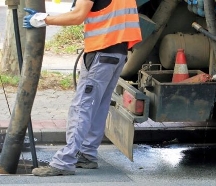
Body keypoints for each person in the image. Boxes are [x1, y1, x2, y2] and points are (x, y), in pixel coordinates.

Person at [23, 0, 142, 176]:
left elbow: (78, 16)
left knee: (82, 107)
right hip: (118, 54)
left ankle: (64, 161)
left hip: (101, 53)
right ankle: (87, 154)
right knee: (99, 106)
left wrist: (43, 19)